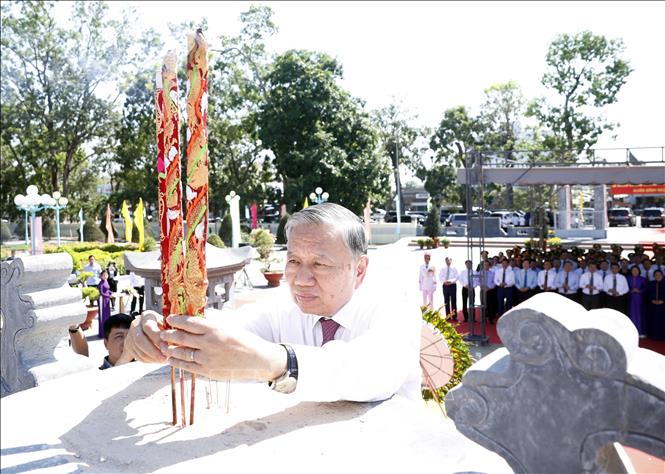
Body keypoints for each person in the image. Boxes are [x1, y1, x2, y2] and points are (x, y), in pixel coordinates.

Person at [122, 203, 422, 402]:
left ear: (359, 269)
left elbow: (374, 369)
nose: (302, 279)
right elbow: (227, 328)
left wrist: (277, 363)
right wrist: (165, 330)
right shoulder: (287, 306)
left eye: (320, 264)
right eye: (293, 260)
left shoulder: (394, 306)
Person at [69, 313, 134, 369]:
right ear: (106, 344)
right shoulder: (97, 375)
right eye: (119, 336)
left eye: (130, 336)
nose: (126, 342)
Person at [627, 266, 647, 337]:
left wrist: (639, 291)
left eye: (636, 270)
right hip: (631, 299)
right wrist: (630, 291)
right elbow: (625, 288)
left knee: (640, 315)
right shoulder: (628, 278)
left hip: (640, 299)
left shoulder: (643, 279)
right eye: (633, 270)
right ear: (631, 271)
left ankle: (640, 332)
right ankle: (632, 332)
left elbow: (645, 289)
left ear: (639, 271)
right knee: (632, 314)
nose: (634, 272)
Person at [646, 270, 665, 340]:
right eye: (656, 275)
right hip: (653, 305)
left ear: (662, 276)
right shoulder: (651, 284)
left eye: (659, 275)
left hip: (663, 306)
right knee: (653, 321)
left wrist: (662, 300)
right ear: (654, 276)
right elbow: (647, 294)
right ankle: (654, 335)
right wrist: (652, 300)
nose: (658, 276)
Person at [98, 270, 112, 339]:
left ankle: (108, 332)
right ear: (101, 276)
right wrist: (108, 296)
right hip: (102, 300)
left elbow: (107, 290)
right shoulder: (100, 283)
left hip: (107, 299)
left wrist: (110, 292)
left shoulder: (106, 281)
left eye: (106, 275)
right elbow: (101, 293)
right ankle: (102, 333)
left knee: (107, 316)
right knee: (103, 316)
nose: (105, 276)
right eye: (104, 275)